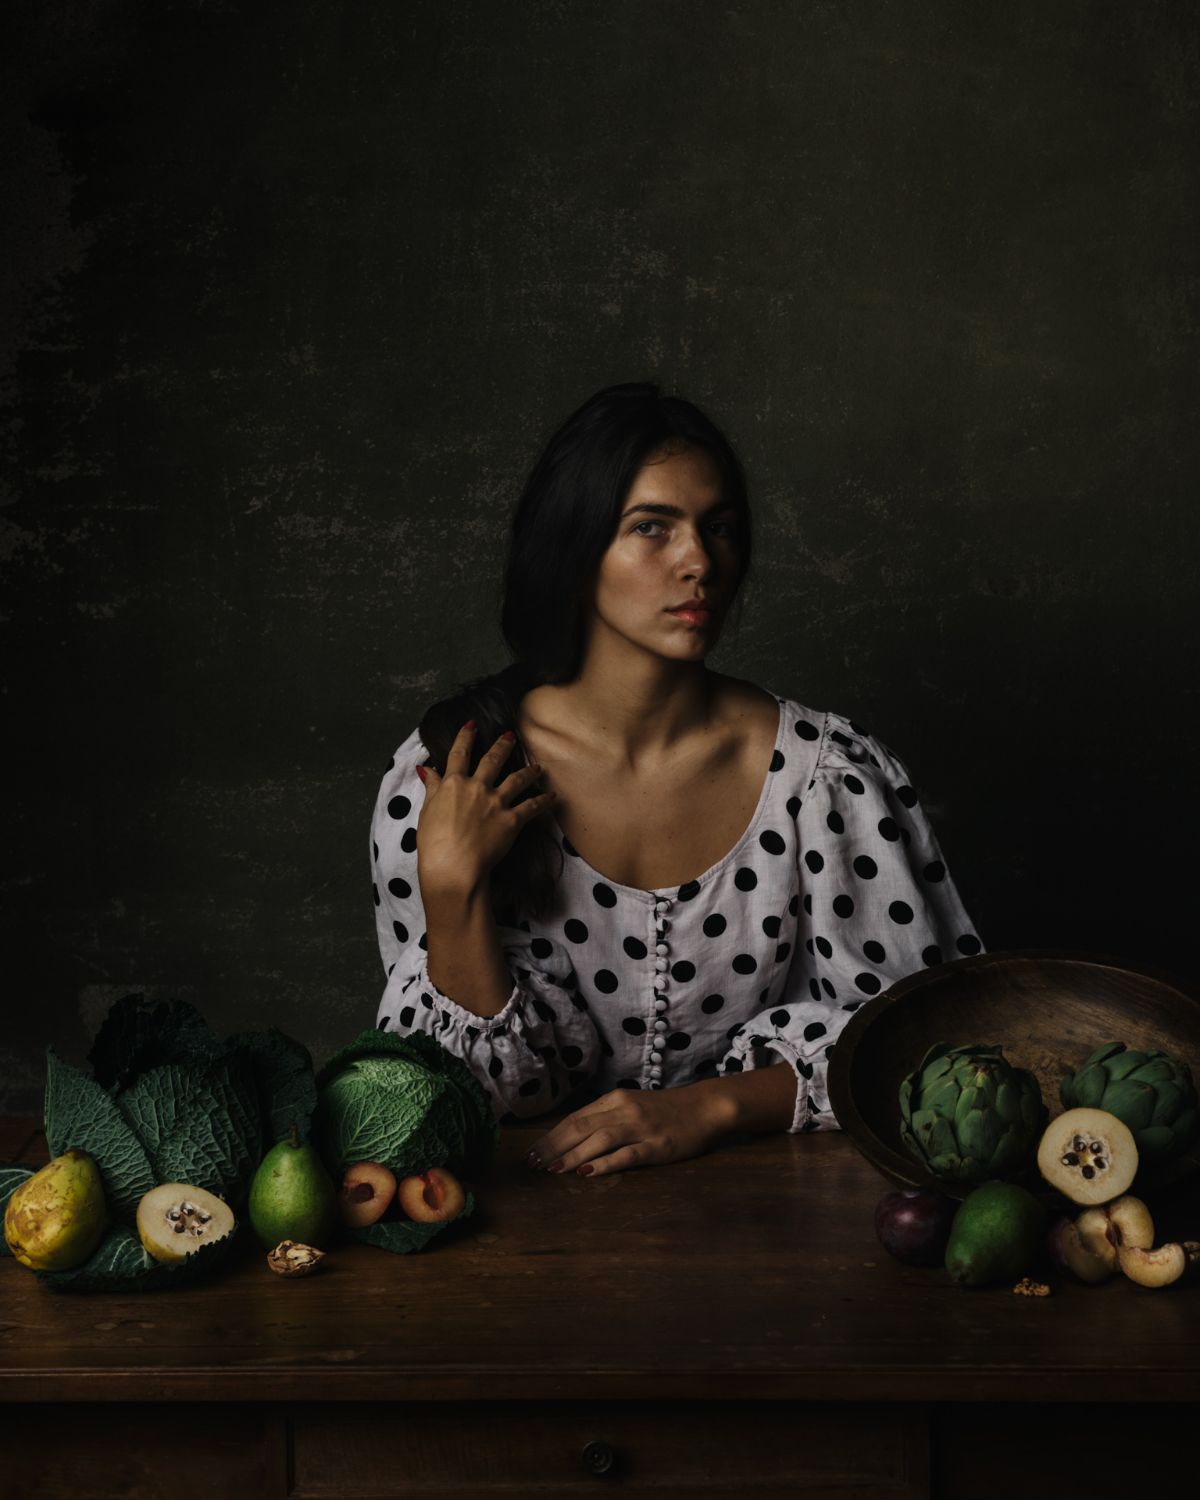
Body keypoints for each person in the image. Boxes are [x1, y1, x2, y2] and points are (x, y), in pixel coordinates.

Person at [370, 381, 984, 1180]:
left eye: (719, 527)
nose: (701, 563)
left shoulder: (826, 779)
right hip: (521, 1238)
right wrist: (452, 896)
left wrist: (710, 1109)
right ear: (574, 543)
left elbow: (922, 1053)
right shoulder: (449, 779)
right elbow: (469, 1101)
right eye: (651, 528)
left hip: (787, 1227)